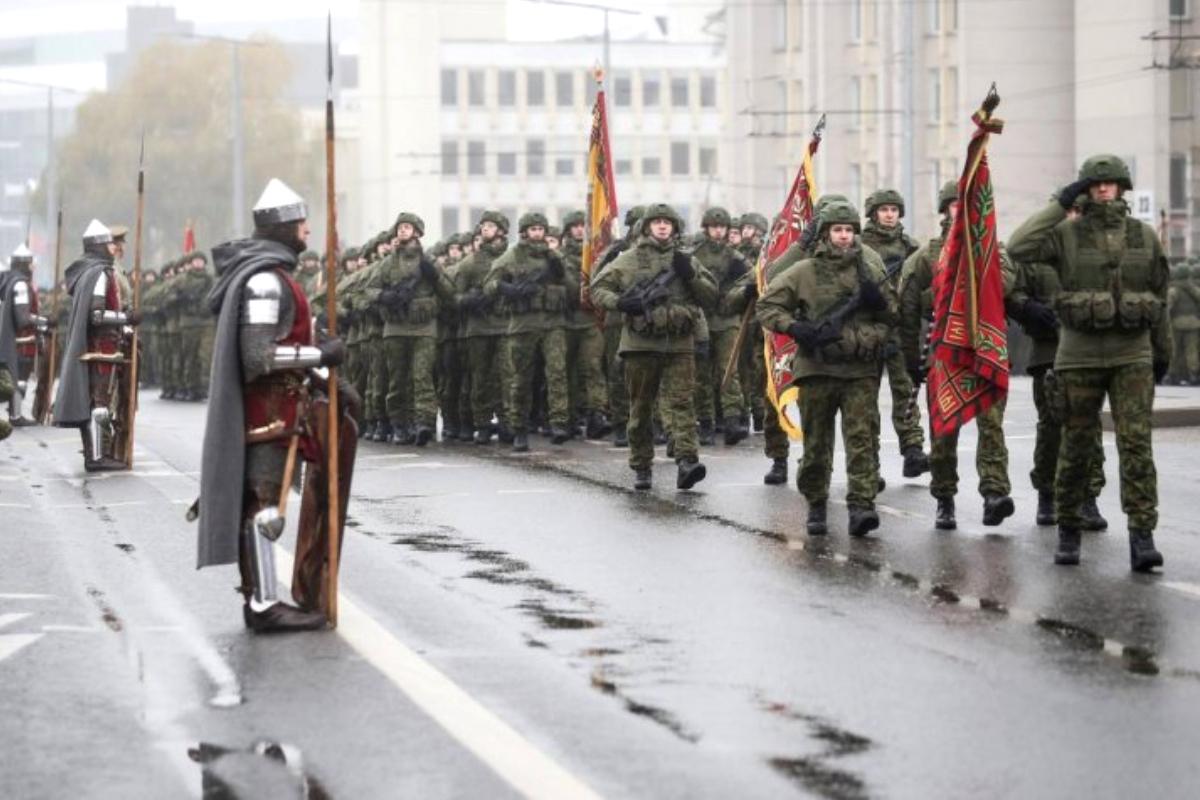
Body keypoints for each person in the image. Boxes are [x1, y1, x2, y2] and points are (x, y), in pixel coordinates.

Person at [197, 178, 357, 632]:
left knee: (264, 504)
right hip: (269, 410)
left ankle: (263, 600)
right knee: (264, 508)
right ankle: (264, 605)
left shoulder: (276, 274)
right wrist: (319, 356)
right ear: (283, 227)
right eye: (301, 223)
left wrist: (320, 367)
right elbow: (260, 356)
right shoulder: (266, 281)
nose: (307, 231)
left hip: (285, 408)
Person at [1008, 154, 1170, 572]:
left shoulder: (1144, 236)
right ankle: (1068, 530)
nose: (1103, 189)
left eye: (1110, 183)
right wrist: (1060, 204)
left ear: (1122, 187)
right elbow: (1019, 246)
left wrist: (1162, 353)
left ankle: (1142, 536)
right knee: (1076, 444)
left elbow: (1160, 296)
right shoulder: (1066, 234)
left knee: (1136, 445)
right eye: (1095, 184)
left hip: (1132, 354)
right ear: (1084, 189)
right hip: (1078, 354)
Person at [757, 201, 894, 537]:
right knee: (817, 443)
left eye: (849, 230)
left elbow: (894, 316)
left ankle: (861, 505)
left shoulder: (871, 270)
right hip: (817, 369)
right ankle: (816, 503)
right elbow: (767, 305)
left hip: (859, 370)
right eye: (837, 230)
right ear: (825, 234)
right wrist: (796, 328)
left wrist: (881, 309)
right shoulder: (804, 271)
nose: (844, 236)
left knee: (861, 439)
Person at [900, 181, 1014, 530]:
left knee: (991, 425)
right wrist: (909, 358)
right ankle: (944, 497)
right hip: (944, 352)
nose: (959, 211)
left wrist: (976, 273)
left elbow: (1007, 281)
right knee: (944, 428)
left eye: (965, 205)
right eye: (954, 206)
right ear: (944, 210)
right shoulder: (929, 254)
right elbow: (906, 299)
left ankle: (994, 493)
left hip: (984, 349)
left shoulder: (991, 246)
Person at [591, 203, 715, 490]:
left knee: (682, 404)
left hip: (679, 343)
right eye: (657, 222)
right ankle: (642, 465)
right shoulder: (629, 259)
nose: (662, 226)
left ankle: (687, 461)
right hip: (641, 345)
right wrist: (621, 303)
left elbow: (710, 297)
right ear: (646, 227)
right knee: (642, 407)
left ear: (675, 228)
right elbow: (597, 289)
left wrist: (691, 276)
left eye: (667, 222)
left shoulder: (686, 260)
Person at [1008, 189, 1107, 529]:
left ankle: (1089, 497)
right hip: (1049, 351)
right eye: (1069, 211)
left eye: (1080, 211)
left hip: (1089, 350)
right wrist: (1028, 309)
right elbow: (1014, 292)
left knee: (1089, 426)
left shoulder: (1094, 249)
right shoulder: (1038, 253)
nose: (1074, 217)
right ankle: (1047, 494)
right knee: (1051, 426)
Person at [52, 220, 141, 471]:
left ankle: (96, 454)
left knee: (95, 400)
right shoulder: (100, 273)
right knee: (99, 401)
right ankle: (97, 457)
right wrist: (126, 318)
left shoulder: (90, 271)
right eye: (109, 243)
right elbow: (97, 316)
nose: (113, 248)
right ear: (99, 246)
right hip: (102, 346)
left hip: (102, 344)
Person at [483, 212, 571, 451]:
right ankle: (519, 427)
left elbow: (571, 288)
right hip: (523, 324)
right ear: (524, 233)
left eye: (540, 229)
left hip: (552, 323)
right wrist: (508, 288)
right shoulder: (512, 255)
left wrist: (559, 268)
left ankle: (559, 423)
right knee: (520, 378)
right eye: (532, 229)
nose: (537, 233)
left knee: (557, 373)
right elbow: (490, 285)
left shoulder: (553, 256)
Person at [859, 189, 930, 478]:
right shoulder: (860, 245)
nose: (889, 214)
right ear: (873, 213)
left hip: (900, 328)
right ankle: (868, 456)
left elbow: (922, 286)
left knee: (906, 389)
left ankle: (912, 448)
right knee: (865, 394)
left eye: (894, 209)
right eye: (884, 209)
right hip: (869, 328)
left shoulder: (911, 247)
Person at [376, 212, 456, 446]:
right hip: (396, 329)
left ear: (417, 233)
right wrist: (384, 295)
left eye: (408, 227)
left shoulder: (428, 261)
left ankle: (424, 424)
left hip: (424, 328)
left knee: (422, 377)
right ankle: (400, 425)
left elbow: (450, 294)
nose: (402, 230)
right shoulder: (387, 263)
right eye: (400, 227)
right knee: (398, 380)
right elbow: (365, 293)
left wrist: (435, 277)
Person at [691, 207, 750, 445]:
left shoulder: (735, 257)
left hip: (727, 320)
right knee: (702, 374)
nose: (718, 231)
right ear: (706, 228)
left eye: (722, 227)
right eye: (714, 226)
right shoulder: (695, 254)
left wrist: (743, 287)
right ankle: (706, 421)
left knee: (729, 370)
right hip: (702, 321)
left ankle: (732, 420)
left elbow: (750, 279)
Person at [455, 211, 510, 444]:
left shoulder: (511, 258)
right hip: (478, 328)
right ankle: (483, 423)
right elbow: (455, 297)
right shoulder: (470, 262)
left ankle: (508, 422)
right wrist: (470, 300)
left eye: (491, 225)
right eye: (483, 226)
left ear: (501, 230)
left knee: (507, 377)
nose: (485, 229)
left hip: (505, 326)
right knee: (480, 378)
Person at [559, 209, 611, 439]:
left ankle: (596, 415)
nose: (580, 229)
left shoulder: (596, 256)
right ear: (568, 230)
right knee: (565, 372)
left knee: (593, 368)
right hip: (564, 322)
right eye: (575, 225)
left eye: (583, 225)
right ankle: (566, 418)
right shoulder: (558, 258)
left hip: (590, 320)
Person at [0, 245, 49, 426]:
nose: (32, 268)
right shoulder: (20, 284)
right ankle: (15, 415)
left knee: (18, 377)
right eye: (30, 264)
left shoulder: (12, 281)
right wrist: (44, 321)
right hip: (22, 340)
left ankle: (15, 413)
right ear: (24, 264)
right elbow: (22, 318)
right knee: (18, 378)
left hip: (20, 339)